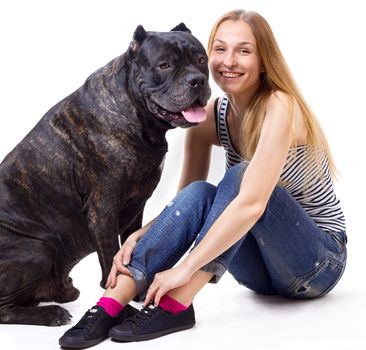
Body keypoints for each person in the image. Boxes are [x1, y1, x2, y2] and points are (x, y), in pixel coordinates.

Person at [59, 9, 347, 348]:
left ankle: (178, 302)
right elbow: (186, 204)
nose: (229, 61)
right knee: (198, 191)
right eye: (220, 49)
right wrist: (141, 233)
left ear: (264, 60)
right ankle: (110, 304)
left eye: (243, 50)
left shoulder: (279, 106)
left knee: (242, 176)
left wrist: (184, 270)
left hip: (316, 265)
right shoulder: (211, 116)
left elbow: (252, 204)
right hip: (260, 274)